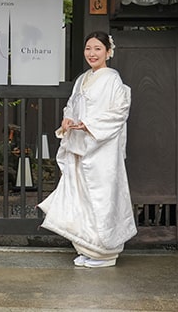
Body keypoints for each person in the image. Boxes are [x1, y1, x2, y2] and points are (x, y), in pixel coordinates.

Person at [37, 31, 137, 268]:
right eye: (88, 48)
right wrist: (68, 121)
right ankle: (87, 247)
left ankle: (105, 252)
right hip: (81, 145)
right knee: (81, 198)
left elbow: (119, 112)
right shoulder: (82, 79)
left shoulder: (112, 79)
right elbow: (72, 106)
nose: (92, 53)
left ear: (108, 52)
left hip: (102, 149)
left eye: (98, 49)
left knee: (101, 197)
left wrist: (89, 125)